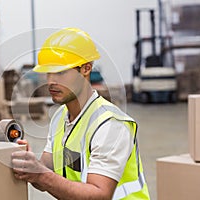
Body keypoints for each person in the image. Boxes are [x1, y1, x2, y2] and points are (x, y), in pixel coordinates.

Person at [11, 27, 150, 199]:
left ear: (86, 69)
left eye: (60, 72)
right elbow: (45, 173)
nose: (51, 81)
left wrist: (40, 174)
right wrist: (30, 165)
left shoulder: (110, 125)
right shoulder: (60, 117)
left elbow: (100, 195)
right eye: (48, 73)